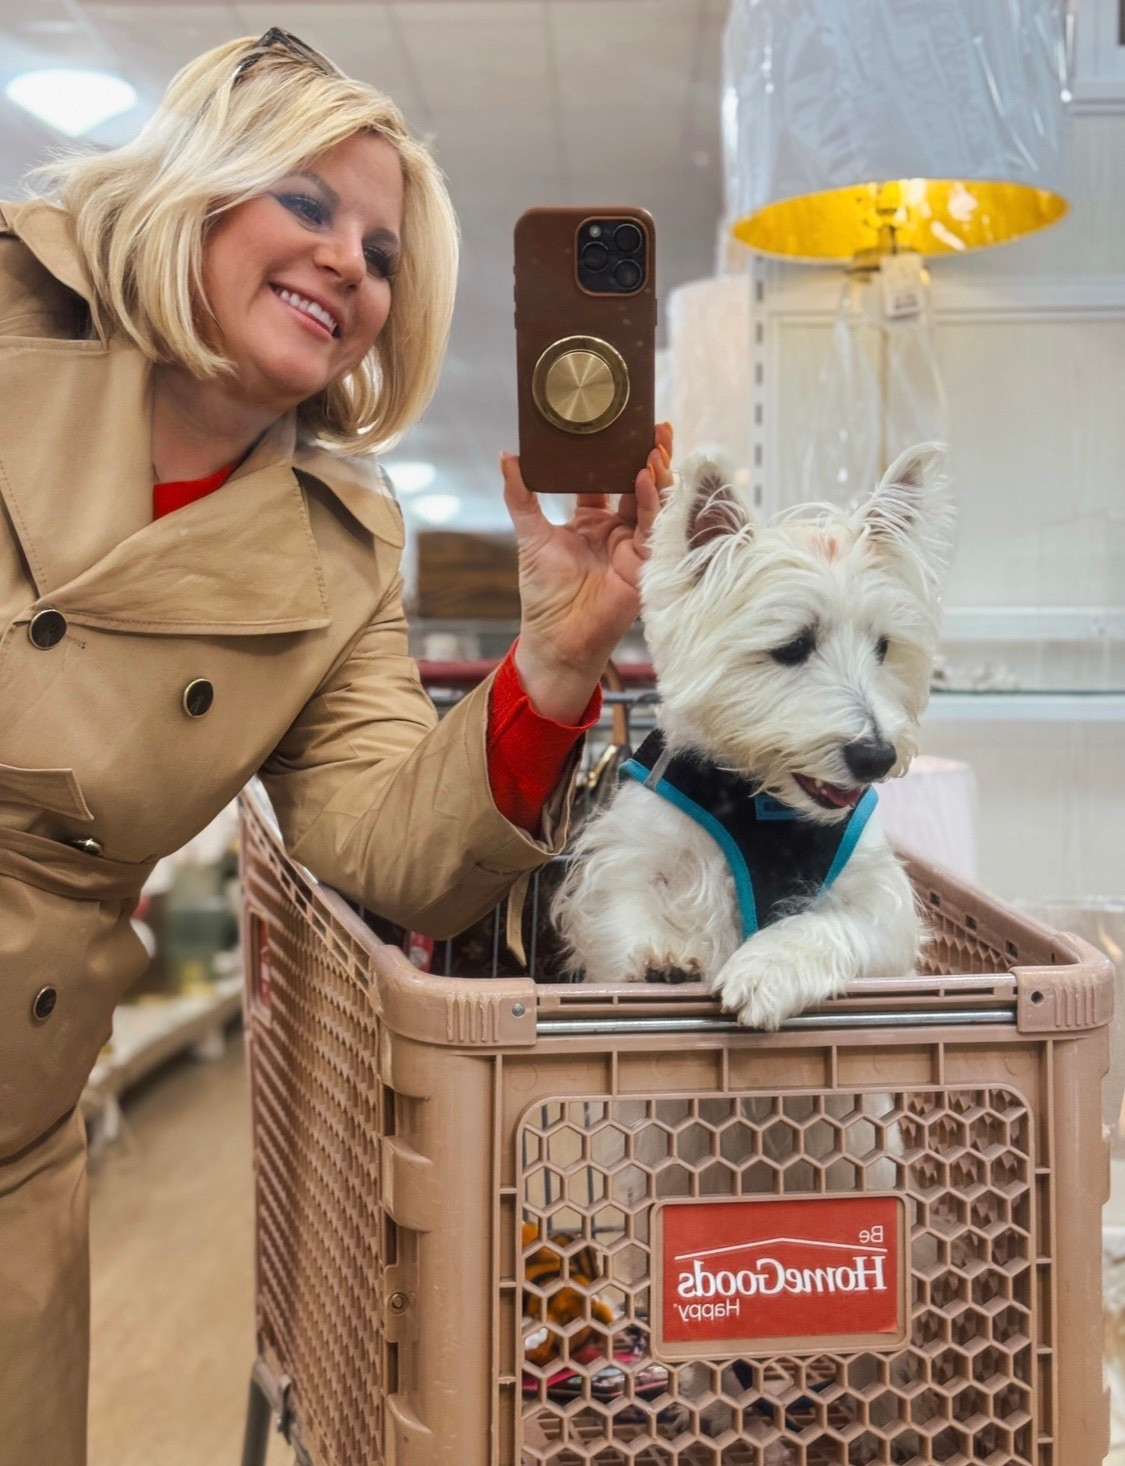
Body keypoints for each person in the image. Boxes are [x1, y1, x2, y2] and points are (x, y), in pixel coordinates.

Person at [0, 29, 673, 1463]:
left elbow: (383, 843)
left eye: (381, 252)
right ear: (199, 187)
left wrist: (555, 654)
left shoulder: (339, 555)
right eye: (307, 204)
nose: (346, 266)